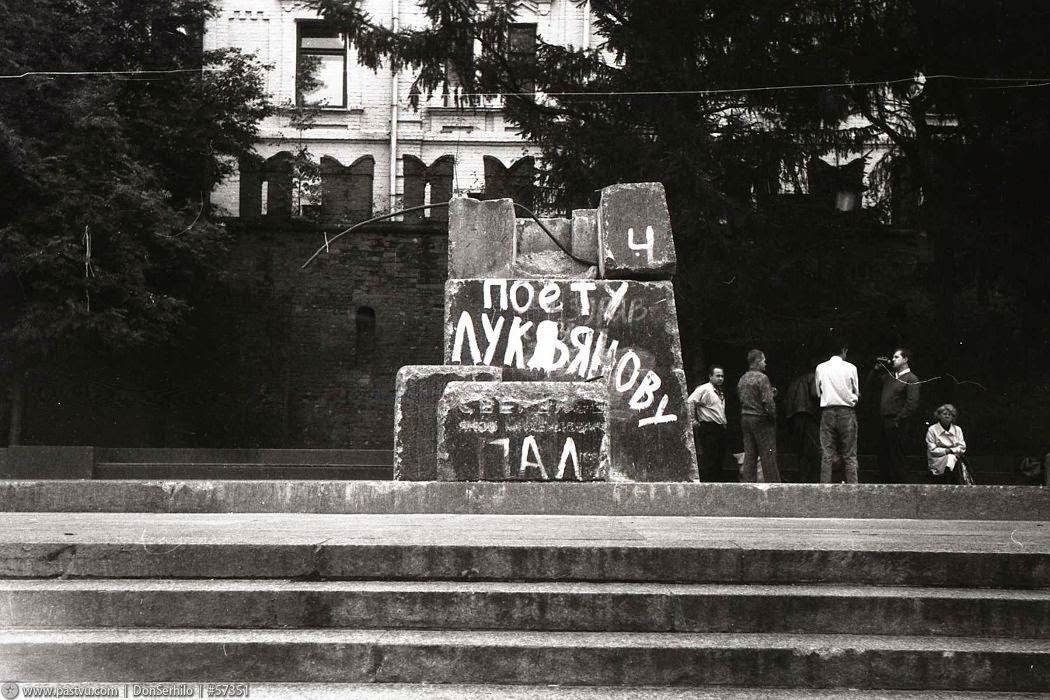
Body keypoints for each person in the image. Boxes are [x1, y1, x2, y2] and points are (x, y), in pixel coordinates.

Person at [868, 348, 920, 483]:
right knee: (883, 456)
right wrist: (875, 370)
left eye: (896, 357)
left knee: (897, 457)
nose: (893, 359)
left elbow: (912, 403)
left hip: (897, 423)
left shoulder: (911, 378)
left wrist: (898, 419)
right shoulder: (890, 376)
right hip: (884, 421)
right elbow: (870, 384)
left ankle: (902, 485)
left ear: (905, 359)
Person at [815, 339, 860, 483]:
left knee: (827, 454)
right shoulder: (851, 367)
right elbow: (856, 391)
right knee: (850, 455)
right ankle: (853, 489)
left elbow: (818, 393)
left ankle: (825, 489)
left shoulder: (820, 368)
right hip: (847, 412)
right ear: (844, 350)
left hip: (828, 411)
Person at [737, 349, 780, 483]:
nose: (765, 363)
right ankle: (773, 485)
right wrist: (773, 416)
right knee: (768, 455)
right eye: (763, 361)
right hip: (760, 419)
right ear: (757, 361)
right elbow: (768, 402)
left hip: (746, 417)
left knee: (750, 454)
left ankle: (748, 484)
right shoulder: (762, 378)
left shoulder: (743, 378)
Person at [688, 365, 728, 481]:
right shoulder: (704, 389)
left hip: (720, 427)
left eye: (722, 376)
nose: (720, 378)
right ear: (710, 376)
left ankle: (716, 483)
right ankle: (708, 483)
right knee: (710, 458)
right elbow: (690, 401)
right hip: (709, 426)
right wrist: (693, 420)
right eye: (717, 376)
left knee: (719, 458)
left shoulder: (720, 391)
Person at [784, 367, 820, 482]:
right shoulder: (812, 377)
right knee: (814, 448)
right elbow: (815, 394)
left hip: (794, 416)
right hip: (806, 414)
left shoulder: (795, 382)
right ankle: (811, 478)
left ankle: (803, 477)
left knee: (802, 449)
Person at [925, 404, 967, 484]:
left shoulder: (957, 429)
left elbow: (962, 447)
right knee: (950, 458)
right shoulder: (932, 429)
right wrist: (947, 451)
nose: (947, 416)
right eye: (944, 414)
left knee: (952, 458)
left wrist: (951, 451)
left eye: (949, 414)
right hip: (937, 459)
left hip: (955, 459)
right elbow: (932, 450)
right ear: (939, 416)